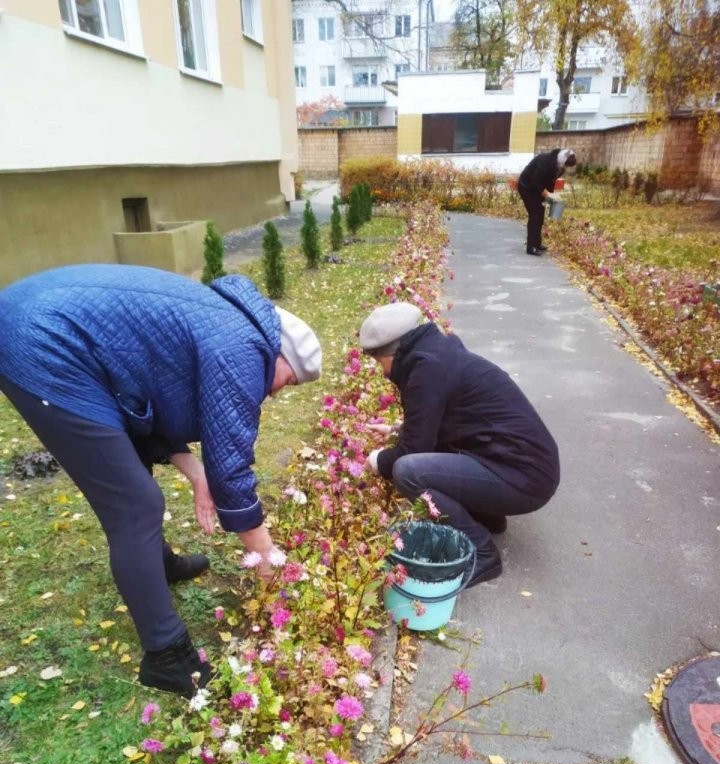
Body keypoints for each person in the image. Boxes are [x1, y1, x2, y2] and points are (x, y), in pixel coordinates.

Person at [0, 264, 322, 697]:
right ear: (281, 356)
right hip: (43, 344)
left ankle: (157, 564)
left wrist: (194, 474)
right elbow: (232, 469)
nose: (275, 393)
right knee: (136, 506)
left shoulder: (228, 326)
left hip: (43, 319)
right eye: (287, 383)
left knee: (131, 463)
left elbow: (153, 402)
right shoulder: (244, 350)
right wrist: (267, 556)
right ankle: (166, 657)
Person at [359, 303, 560, 586]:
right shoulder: (438, 354)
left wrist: (377, 461)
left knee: (407, 470)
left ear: (394, 352)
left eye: (380, 362)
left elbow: (412, 452)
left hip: (525, 478)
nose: (382, 372)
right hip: (527, 467)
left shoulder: (427, 370)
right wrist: (396, 429)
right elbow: (446, 420)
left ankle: (482, 553)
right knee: (426, 459)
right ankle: (487, 515)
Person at [518, 148, 577, 256]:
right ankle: (531, 247)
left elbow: (551, 181)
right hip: (526, 187)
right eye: (566, 165)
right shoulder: (545, 163)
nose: (565, 168)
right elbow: (536, 182)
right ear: (562, 160)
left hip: (536, 189)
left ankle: (537, 243)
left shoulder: (559, 166)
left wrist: (551, 197)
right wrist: (548, 195)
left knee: (540, 214)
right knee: (535, 215)